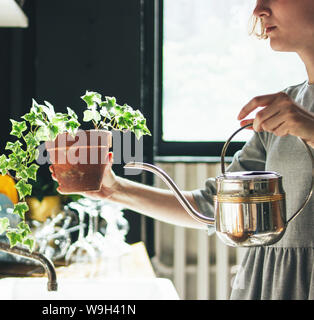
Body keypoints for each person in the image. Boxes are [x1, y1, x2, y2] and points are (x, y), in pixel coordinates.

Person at [50, 0, 314, 299]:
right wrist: (113, 190)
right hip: (268, 285)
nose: (258, 10)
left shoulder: (290, 115)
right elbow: (212, 207)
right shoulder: (285, 106)